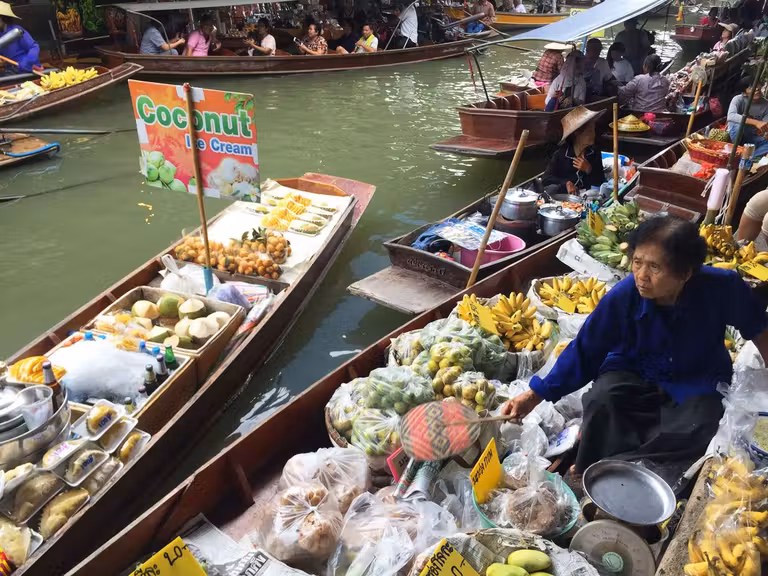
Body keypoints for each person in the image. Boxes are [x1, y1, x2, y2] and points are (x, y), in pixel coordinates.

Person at [503, 216, 768, 481]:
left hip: (698, 374)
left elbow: (757, 327)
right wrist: (535, 395)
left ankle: (629, 470)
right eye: (637, 262)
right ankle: (589, 467)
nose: (641, 276)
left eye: (655, 267)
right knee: (602, 400)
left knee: (702, 423)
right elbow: (585, 350)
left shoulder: (722, 287)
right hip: (634, 369)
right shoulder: (623, 296)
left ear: (685, 273)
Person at [541, 106, 605, 195]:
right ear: (577, 134)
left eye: (593, 130)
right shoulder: (561, 154)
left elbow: (600, 181)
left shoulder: (594, 152)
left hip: (586, 197)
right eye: (589, 131)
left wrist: (589, 169)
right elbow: (546, 178)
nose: (593, 134)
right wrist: (566, 183)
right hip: (565, 197)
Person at [727, 76, 768, 157]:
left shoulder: (766, 104)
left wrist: (764, 132)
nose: (757, 89)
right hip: (736, 135)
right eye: (751, 87)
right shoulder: (738, 99)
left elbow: (764, 125)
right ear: (744, 92)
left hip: (752, 137)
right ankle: (735, 153)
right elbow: (731, 116)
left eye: (758, 85)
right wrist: (756, 122)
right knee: (738, 127)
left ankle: (747, 158)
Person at [0, 2, 39, 73]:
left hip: (27, 68)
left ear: (2, 18)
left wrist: (27, 62)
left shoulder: (16, 31)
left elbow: (34, 47)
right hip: (11, 69)